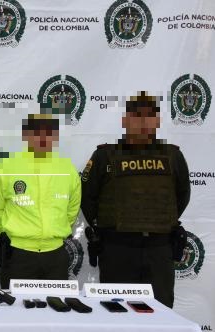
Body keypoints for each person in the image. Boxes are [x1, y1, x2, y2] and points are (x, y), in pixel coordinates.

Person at [81, 92, 190, 308]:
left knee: (160, 313)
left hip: (159, 250)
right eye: (136, 116)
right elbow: (88, 198)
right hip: (117, 249)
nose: (143, 122)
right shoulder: (104, 156)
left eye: (149, 116)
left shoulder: (173, 156)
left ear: (157, 121)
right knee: (116, 312)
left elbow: (182, 196)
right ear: (125, 120)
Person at [0, 114, 81, 289]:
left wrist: (54, 233)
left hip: (56, 255)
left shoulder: (68, 169)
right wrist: (11, 233)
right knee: (17, 306)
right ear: (27, 135)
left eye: (48, 132)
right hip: (18, 255)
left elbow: (72, 210)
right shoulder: (7, 167)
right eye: (37, 132)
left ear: (54, 136)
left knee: (56, 305)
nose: (43, 137)